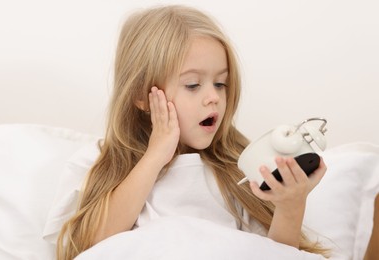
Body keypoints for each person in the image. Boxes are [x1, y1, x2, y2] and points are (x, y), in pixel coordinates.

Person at [56, 5, 328, 259]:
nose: (214, 97)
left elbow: (274, 254)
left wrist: (291, 206)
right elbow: (90, 246)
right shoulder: (100, 161)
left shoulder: (237, 167)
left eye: (221, 83)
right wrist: (155, 156)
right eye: (193, 85)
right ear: (141, 95)